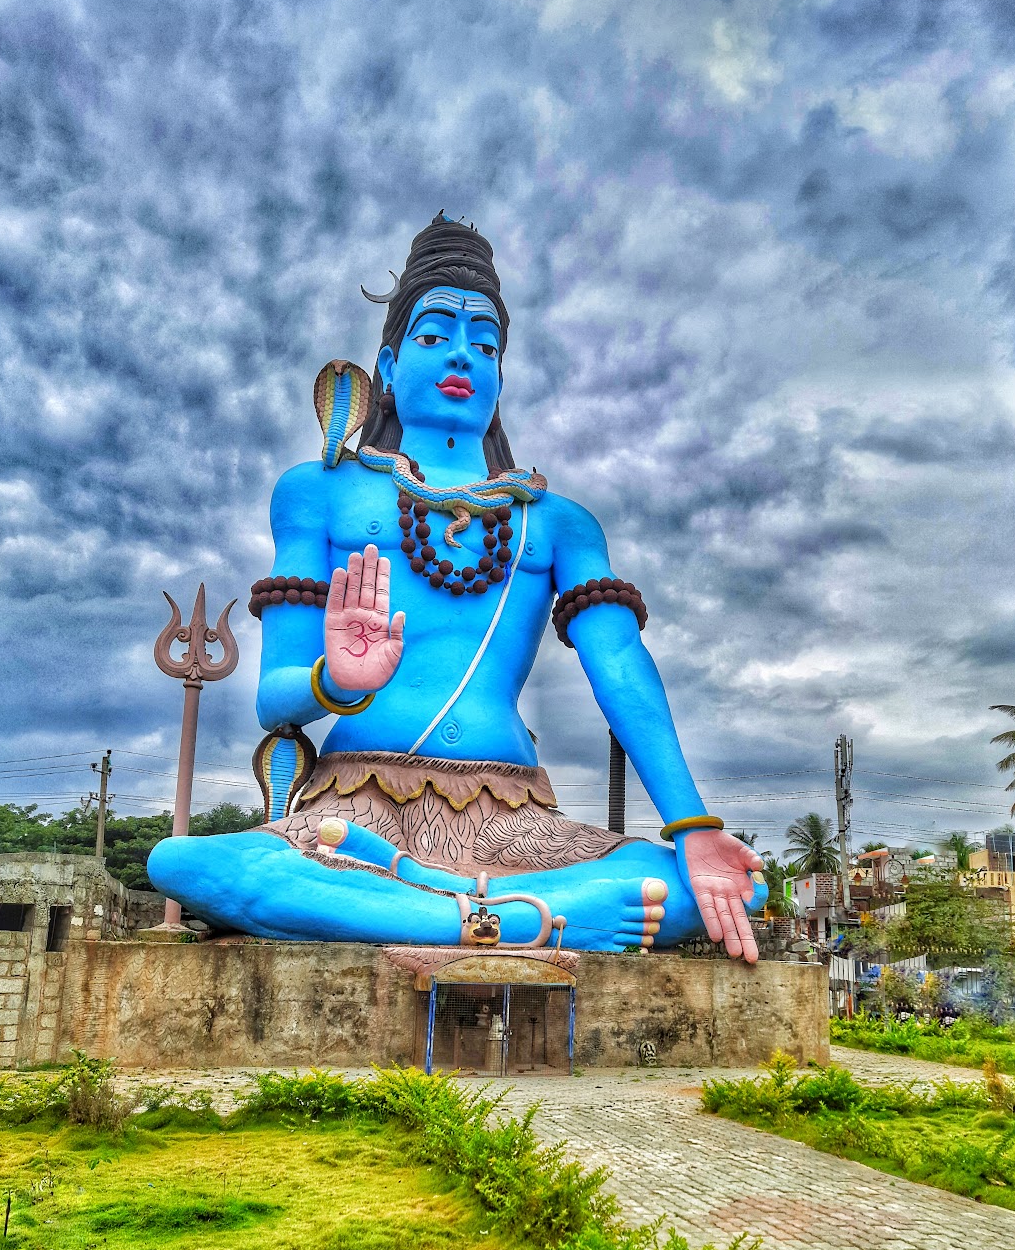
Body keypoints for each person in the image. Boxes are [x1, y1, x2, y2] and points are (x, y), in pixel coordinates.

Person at [149, 214, 766, 957]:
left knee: (730, 882)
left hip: (514, 817)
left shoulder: (560, 523)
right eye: (436, 334)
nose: (462, 355)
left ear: (502, 375)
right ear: (389, 359)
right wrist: (335, 681)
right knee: (181, 862)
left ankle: (422, 905)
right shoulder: (319, 493)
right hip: (351, 810)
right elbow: (273, 699)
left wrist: (694, 830)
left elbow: (621, 668)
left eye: (485, 343)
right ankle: (519, 922)